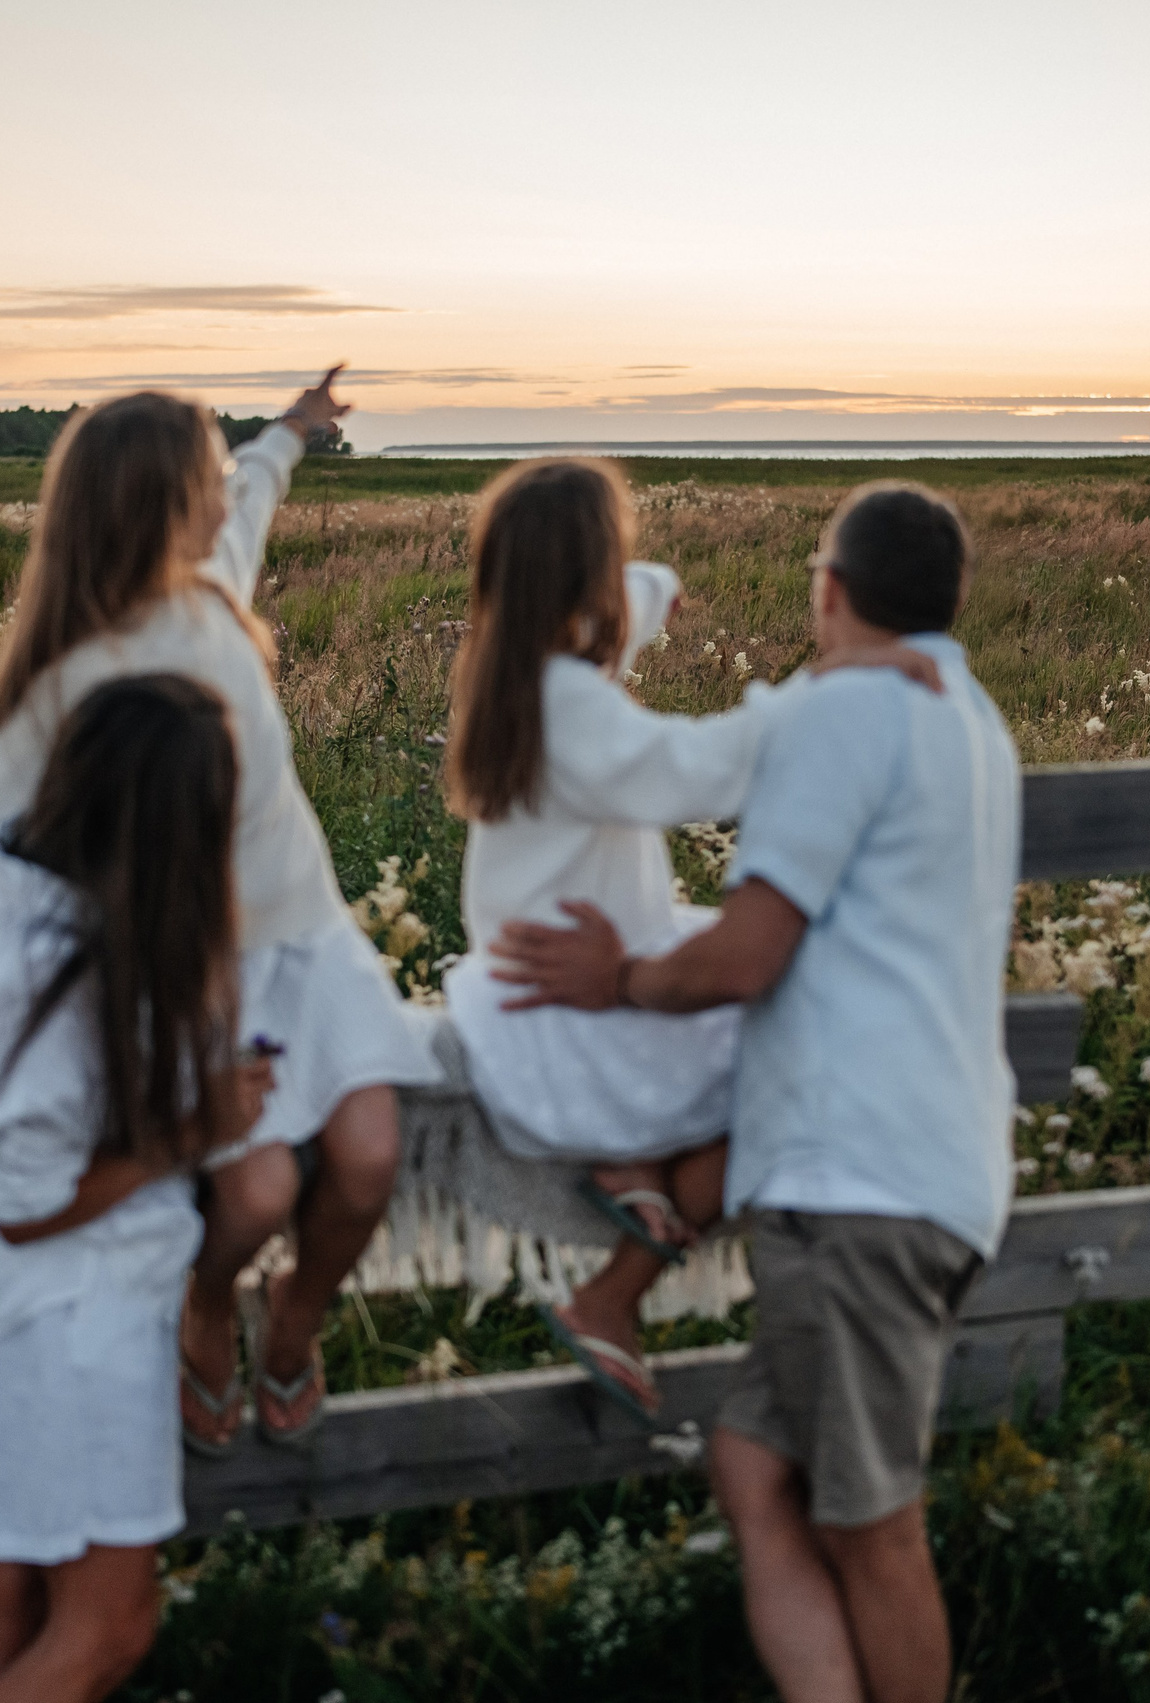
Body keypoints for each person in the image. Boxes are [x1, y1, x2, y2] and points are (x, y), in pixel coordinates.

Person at [491, 481, 1019, 1703]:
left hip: (857, 1183)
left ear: (829, 590)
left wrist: (617, 977)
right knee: (752, 1464)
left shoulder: (850, 713)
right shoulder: (965, 713)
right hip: (924, 1162)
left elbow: (743, 955)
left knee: (872, 1523)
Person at [0, 374, 437, 1452]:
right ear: (163, 502)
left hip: (310, 939)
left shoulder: (211, 593)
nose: (224, 492)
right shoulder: (79, 674)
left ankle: (296, 1317)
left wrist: (292, 432)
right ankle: (209, 1302)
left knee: (367, 1160)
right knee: (256, 1194)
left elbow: (254, 499)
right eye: (206, 476)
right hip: (200, 965)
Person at [439, 457, 935, 1419]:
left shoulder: (510, 673)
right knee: (799, 1038)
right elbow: (705, 768)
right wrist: (831, 680)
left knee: (775, 1001)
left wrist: (652, 585)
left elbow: (619, 617)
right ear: (585, 581)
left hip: (545, 972)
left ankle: (639, 1180)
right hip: (575, 1007)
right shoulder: (573, 709)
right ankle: (624, 1230)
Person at [0, 675, 273, 1702]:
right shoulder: (51, 966)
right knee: (108, 1627)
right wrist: (194, 1132)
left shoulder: (19, 898)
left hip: (16, 1311)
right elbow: (24, 1208)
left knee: (22, 1601)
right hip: (56, 1317)